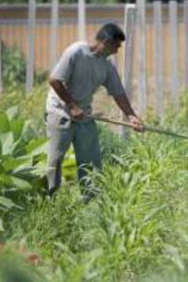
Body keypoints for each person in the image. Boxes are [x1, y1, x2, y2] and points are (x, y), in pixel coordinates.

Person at [45, 23, 144, 201]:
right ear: (106, 42)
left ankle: (91, 203)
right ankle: (49, 202)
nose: (117, 50)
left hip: (84, 115)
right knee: (55, 160)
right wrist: (72, 106)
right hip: (60, 112)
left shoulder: (106, 67)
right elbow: (55, 80)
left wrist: (132, 116)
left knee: (91, 162)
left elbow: (118, 93)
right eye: (117, 45)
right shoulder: (75, 52)